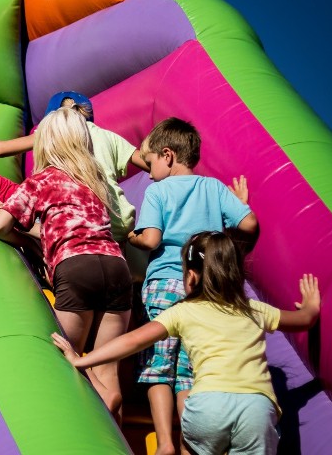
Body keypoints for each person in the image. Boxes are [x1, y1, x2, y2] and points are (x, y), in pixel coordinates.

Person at [54, 231, 320, 455]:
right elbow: (304, 320)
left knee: (188, 444)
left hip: (208, 406)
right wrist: (311, 306)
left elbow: (132, 340)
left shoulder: (184, 311)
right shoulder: (253, 309)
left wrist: (81, 358)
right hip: (257, 410)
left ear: (191, 277)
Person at [0, 107, 131, 420]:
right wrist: (29, 229)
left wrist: (21, 236)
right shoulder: (95, 183)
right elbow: (66, 227)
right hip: (116, 267)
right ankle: (111, 400)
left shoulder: (41, 180)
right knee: (107, 370)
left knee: (67, 364)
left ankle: (87, 412)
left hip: (76, 268)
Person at [127, 117, 258, 455]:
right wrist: (233, 220)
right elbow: (250, 223)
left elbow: (152, 237)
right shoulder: (214, 188)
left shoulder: (158, 190)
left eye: (151, 160)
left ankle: (165, 443)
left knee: (159, 363)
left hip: (165, 284)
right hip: (205, 292)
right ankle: (190, 445)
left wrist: (130, 235)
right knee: (188, 370)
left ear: (167, 155)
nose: (149, 169)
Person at [0, 91, 148, 245]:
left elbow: (0, 149)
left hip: (77, 224)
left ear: (52, 119)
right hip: (119, 222)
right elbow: (146, 163)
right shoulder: (107, 135)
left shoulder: (53, 132)